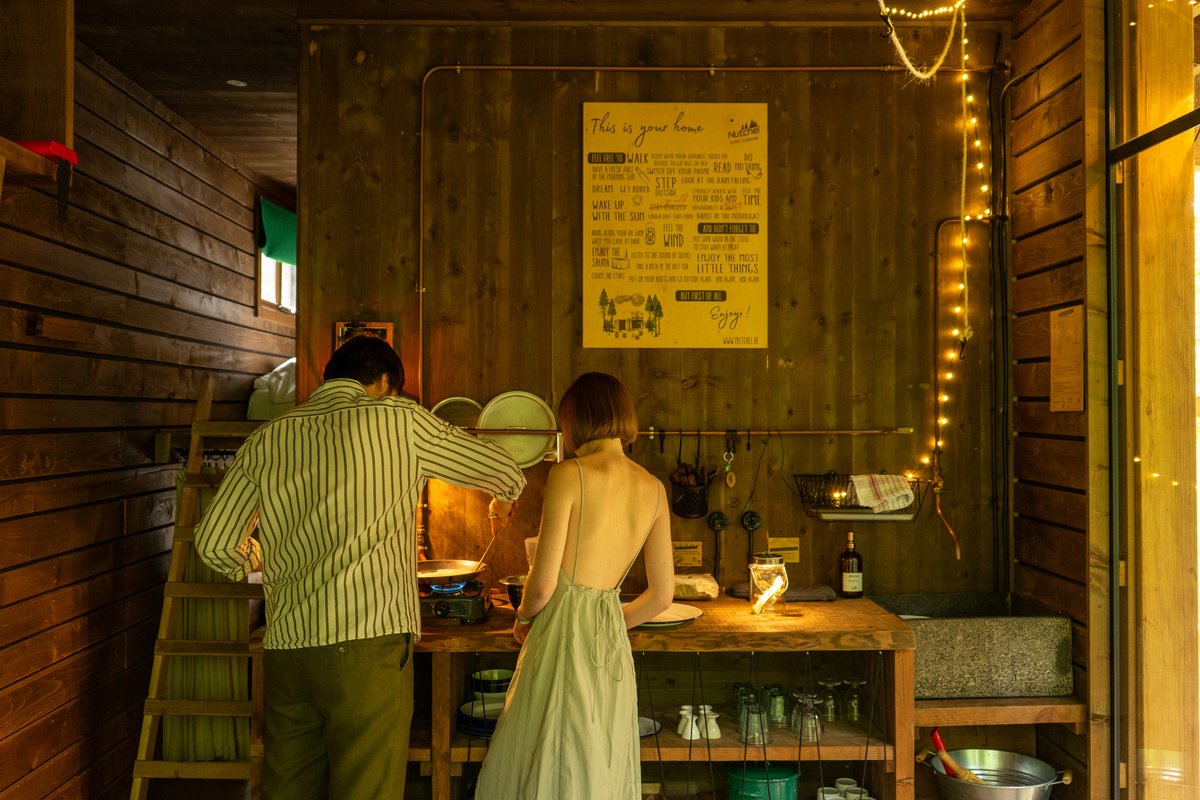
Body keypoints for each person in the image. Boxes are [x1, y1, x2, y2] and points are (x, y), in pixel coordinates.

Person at [194, 334, 526, 800]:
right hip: (368, 646)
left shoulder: (269, 436)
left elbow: (213, 543)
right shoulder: (400, 420)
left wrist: (262, 556)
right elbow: (503, 468)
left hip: (289, 647)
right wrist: (501, 499)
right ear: (386, 381)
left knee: (287, 790)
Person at [475, 371, 674, 800]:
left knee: (552, 755)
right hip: (609, 637)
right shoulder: (654, 489)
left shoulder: (570, 474)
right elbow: (662, 596)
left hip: (561, 631)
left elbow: (542, 584)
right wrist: (608, 619)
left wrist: (522, 620)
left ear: (575, 422)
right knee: (596, 753)